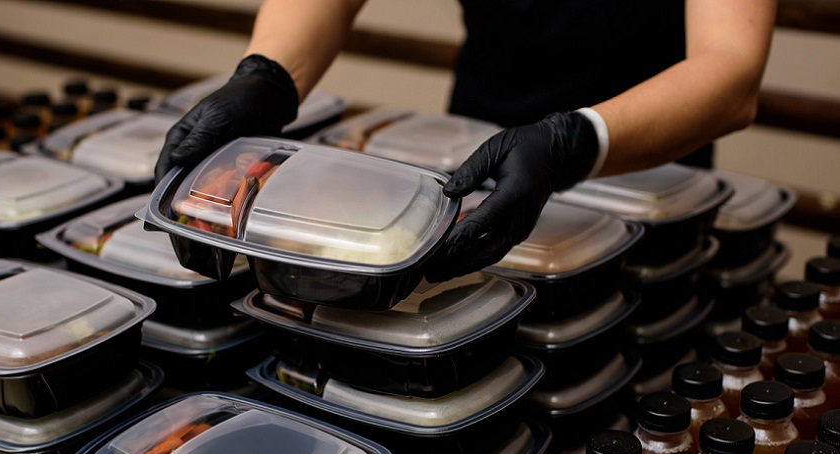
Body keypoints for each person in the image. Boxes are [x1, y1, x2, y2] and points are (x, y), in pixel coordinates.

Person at [154, 0, 777, 282]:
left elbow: (731, 69)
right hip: (474, 166)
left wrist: (571, 143)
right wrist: (268, 76)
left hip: (644, 175)